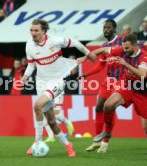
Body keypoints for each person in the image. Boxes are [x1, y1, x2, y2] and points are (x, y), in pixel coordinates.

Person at [22, 19, 92, 157]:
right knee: (52, 121)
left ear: (43, 31)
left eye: (36, 30)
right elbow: (31, 65)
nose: (33, 33)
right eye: (31, 30)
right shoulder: (29, 45)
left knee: (37, 105)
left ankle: (37, 142)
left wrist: (89, 54)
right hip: (41, 82)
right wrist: (25, 76)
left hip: (57, 81)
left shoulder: (55, 41)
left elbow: (76, 43)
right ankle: (68, 145)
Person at [79, 34, 147, 157]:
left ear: (134, 46)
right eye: (123, 48)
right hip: (127, 86)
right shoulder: (121, 50)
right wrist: (86, 57)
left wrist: (125, 64)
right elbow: (102, 50)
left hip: (143, 91)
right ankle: (107, 132)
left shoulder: (143, 57)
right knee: (108, 105)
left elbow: (142, 74)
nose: (124, 50)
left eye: (127, 48)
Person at [77, 19, 123, 152]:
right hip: (108, 81)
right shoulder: (104, 45)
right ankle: (97, 139)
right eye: (104, 28)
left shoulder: (122, 42)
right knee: (98, 108)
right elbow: (101, 65)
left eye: (108, 28)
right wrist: (87, 74)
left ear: (114, 29)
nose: (105, 30)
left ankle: (105, 142)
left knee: (110, 108)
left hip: (121, 81)